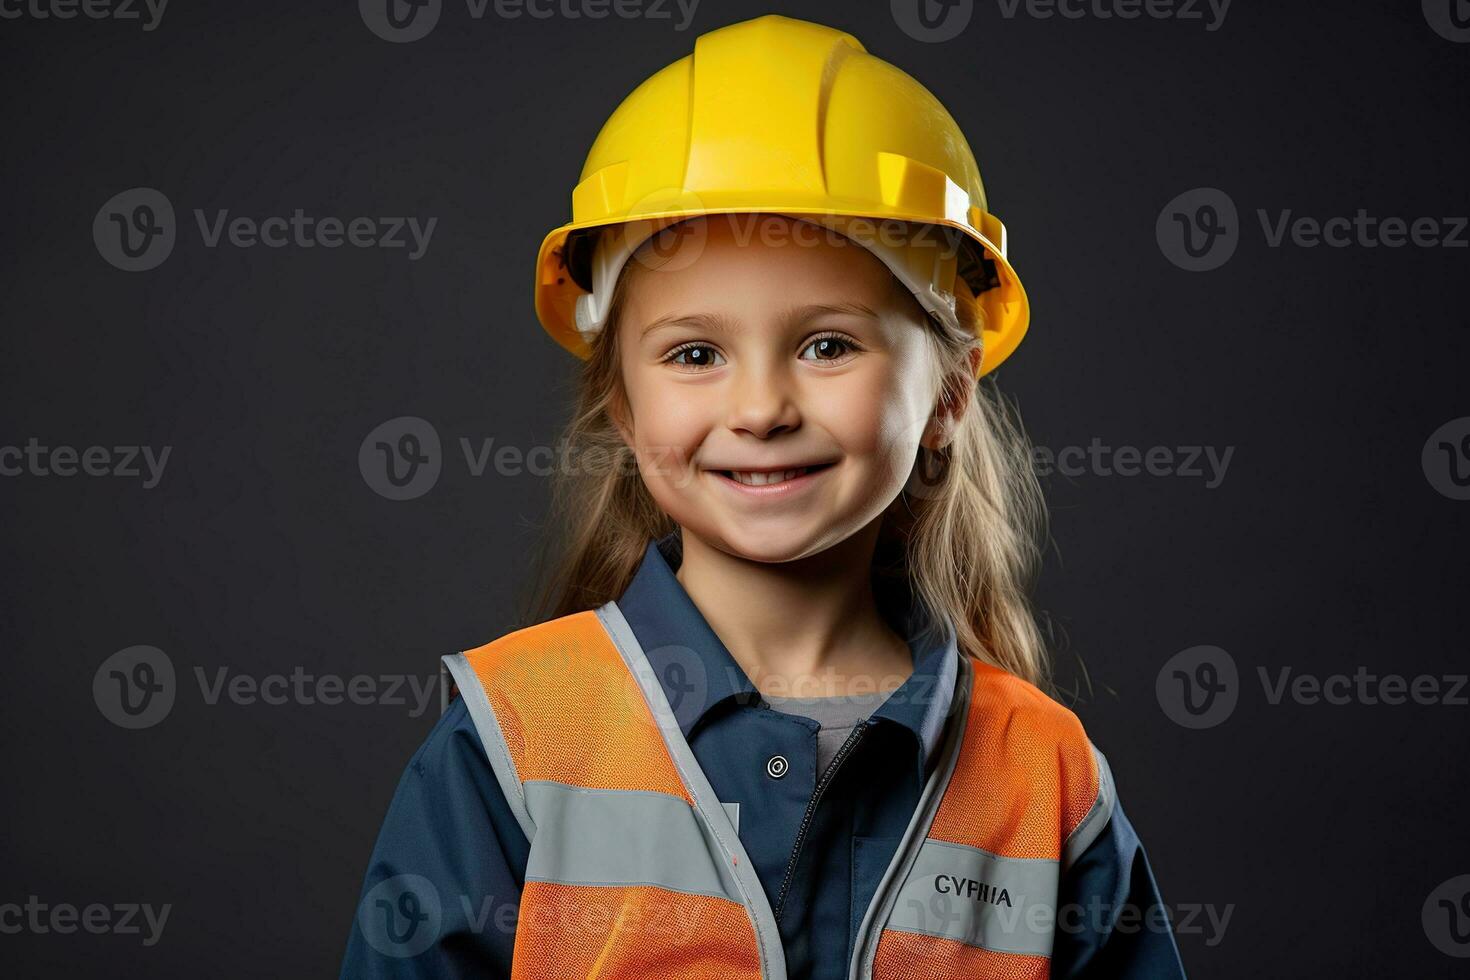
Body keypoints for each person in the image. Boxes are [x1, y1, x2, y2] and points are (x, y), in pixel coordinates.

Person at [340, 13, 1186, 980]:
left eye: (829, 344)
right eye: (695, 354)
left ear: (949, 392)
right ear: (621, 402)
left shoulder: (1046, 777)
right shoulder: (514, 745)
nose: (760, 408)